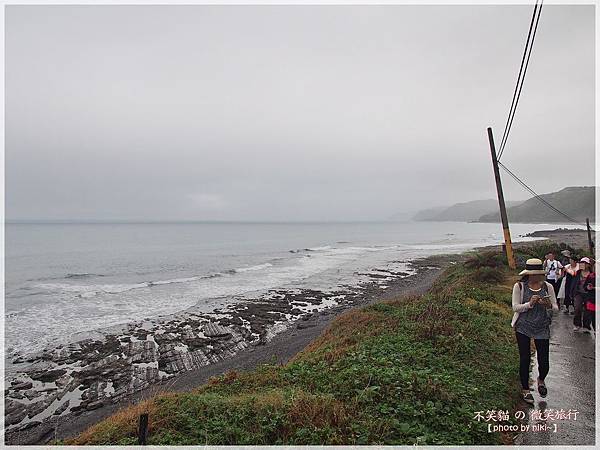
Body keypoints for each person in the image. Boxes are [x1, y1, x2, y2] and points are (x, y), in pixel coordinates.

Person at [511, 258, 559, 405]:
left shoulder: (548, 286)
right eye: (533, 273)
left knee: (544, 361)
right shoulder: (519, 286)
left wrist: (548, 305)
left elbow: (556, 308)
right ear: (528, 274)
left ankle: (541, 380)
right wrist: (529, 304)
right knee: (525, 358)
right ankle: (525, 389)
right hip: (523, 326)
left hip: (542, 326)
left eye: (538, 273)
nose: (536, 276)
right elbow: (515, 307)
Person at [569, 257, 595, 332]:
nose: (582, 264)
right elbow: (573, 283)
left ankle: (586, 326)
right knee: (577, 308)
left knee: (587, 310)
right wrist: (571, 292)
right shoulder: (577, 272)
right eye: (581, 263)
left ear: (588, 265)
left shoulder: (592, 274)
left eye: (584, 263)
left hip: (589, 294)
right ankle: (577, 324)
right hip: (578, 293)